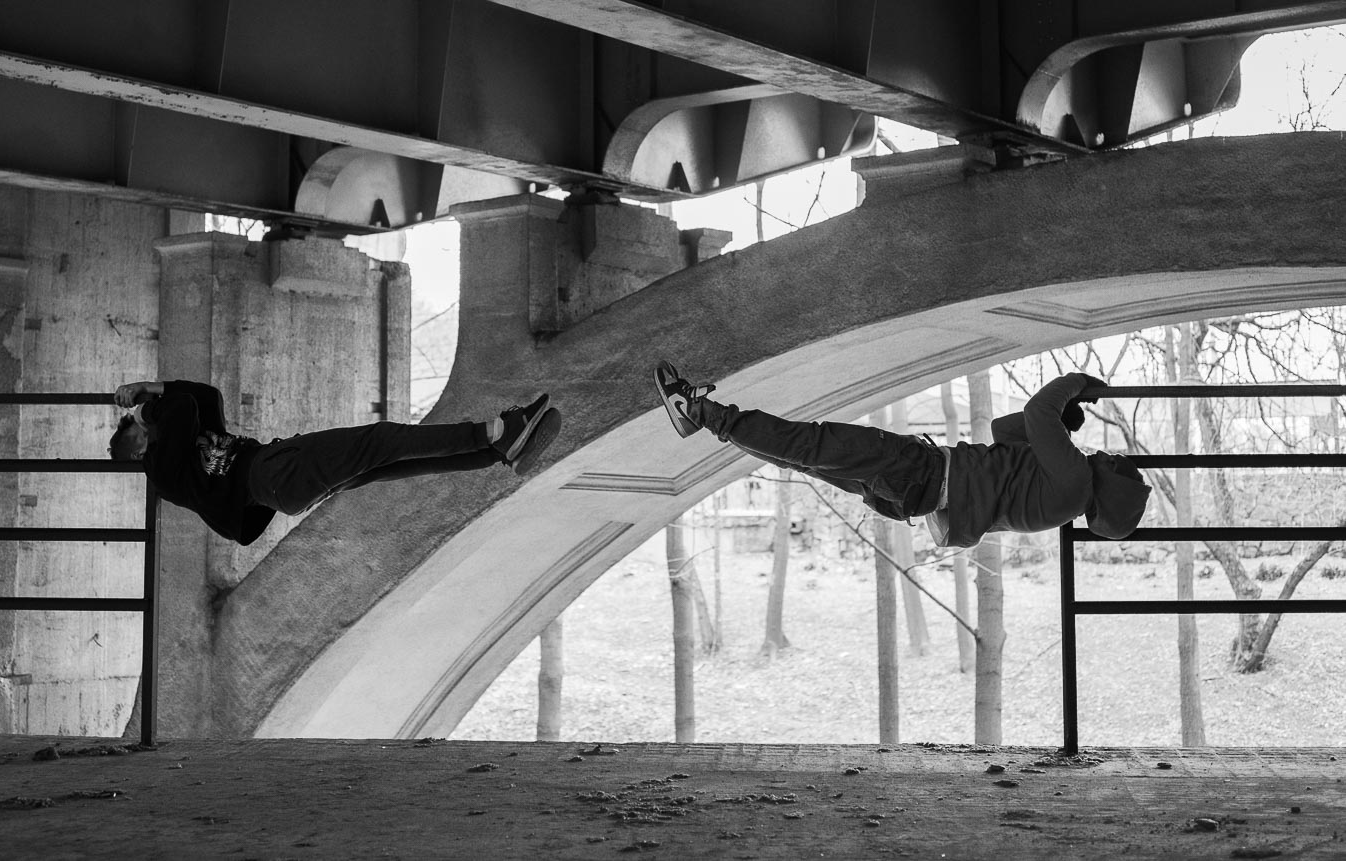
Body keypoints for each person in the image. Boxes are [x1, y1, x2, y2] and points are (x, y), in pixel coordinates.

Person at [652, 362, 1148, 549]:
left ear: (1109, 488)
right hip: (913, 495)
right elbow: (1006, 431)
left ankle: (698, 411)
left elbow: (1040, 408)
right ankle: (700, 415)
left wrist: (1077, 385)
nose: (1107, 454)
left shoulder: (1075, 483)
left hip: (921, 471)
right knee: (804, 455)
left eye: (1114, 463)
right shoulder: (1056, 496)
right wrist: (1058, 428)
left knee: (811, 443)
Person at [110, 379, 561, 545]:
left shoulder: (181, 449)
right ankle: (499, 432)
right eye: (133, 427)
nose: (140, 422)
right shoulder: (162, 472)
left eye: (137, 420)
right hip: (272, 473)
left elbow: (203, 398)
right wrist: (148, 404)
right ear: (135, 449)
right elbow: (183, 407)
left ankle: (496, 452)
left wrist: (155, 388)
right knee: (383, 439)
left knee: (392, 461)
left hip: (280, 479)